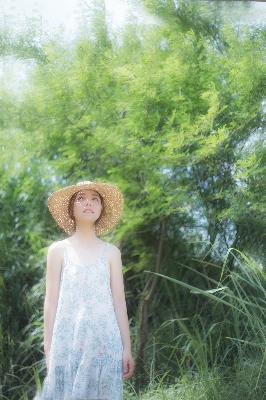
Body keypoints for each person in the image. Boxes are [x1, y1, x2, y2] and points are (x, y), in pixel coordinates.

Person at [33, 180, 135, 400]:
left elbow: (119, 302)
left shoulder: (111, 253)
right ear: (71, 207)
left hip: (105, 345)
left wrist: (126, 348)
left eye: (94, 199)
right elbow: (50, 302)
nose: (88, 203)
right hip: (67, 344)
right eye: (81, 198)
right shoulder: (58, 251)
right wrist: (49, 348)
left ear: (101, 209)